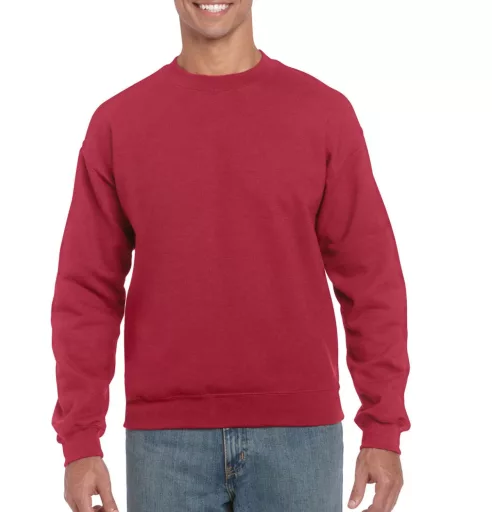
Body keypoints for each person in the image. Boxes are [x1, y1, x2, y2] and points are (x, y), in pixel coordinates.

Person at [50, 1, 410, 511]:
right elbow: (86, 291)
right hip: (164, 442)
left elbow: (372, 279)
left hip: (299, 437)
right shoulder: (118, 123)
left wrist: (383, 424)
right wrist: (80, 440)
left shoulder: (323, 114)